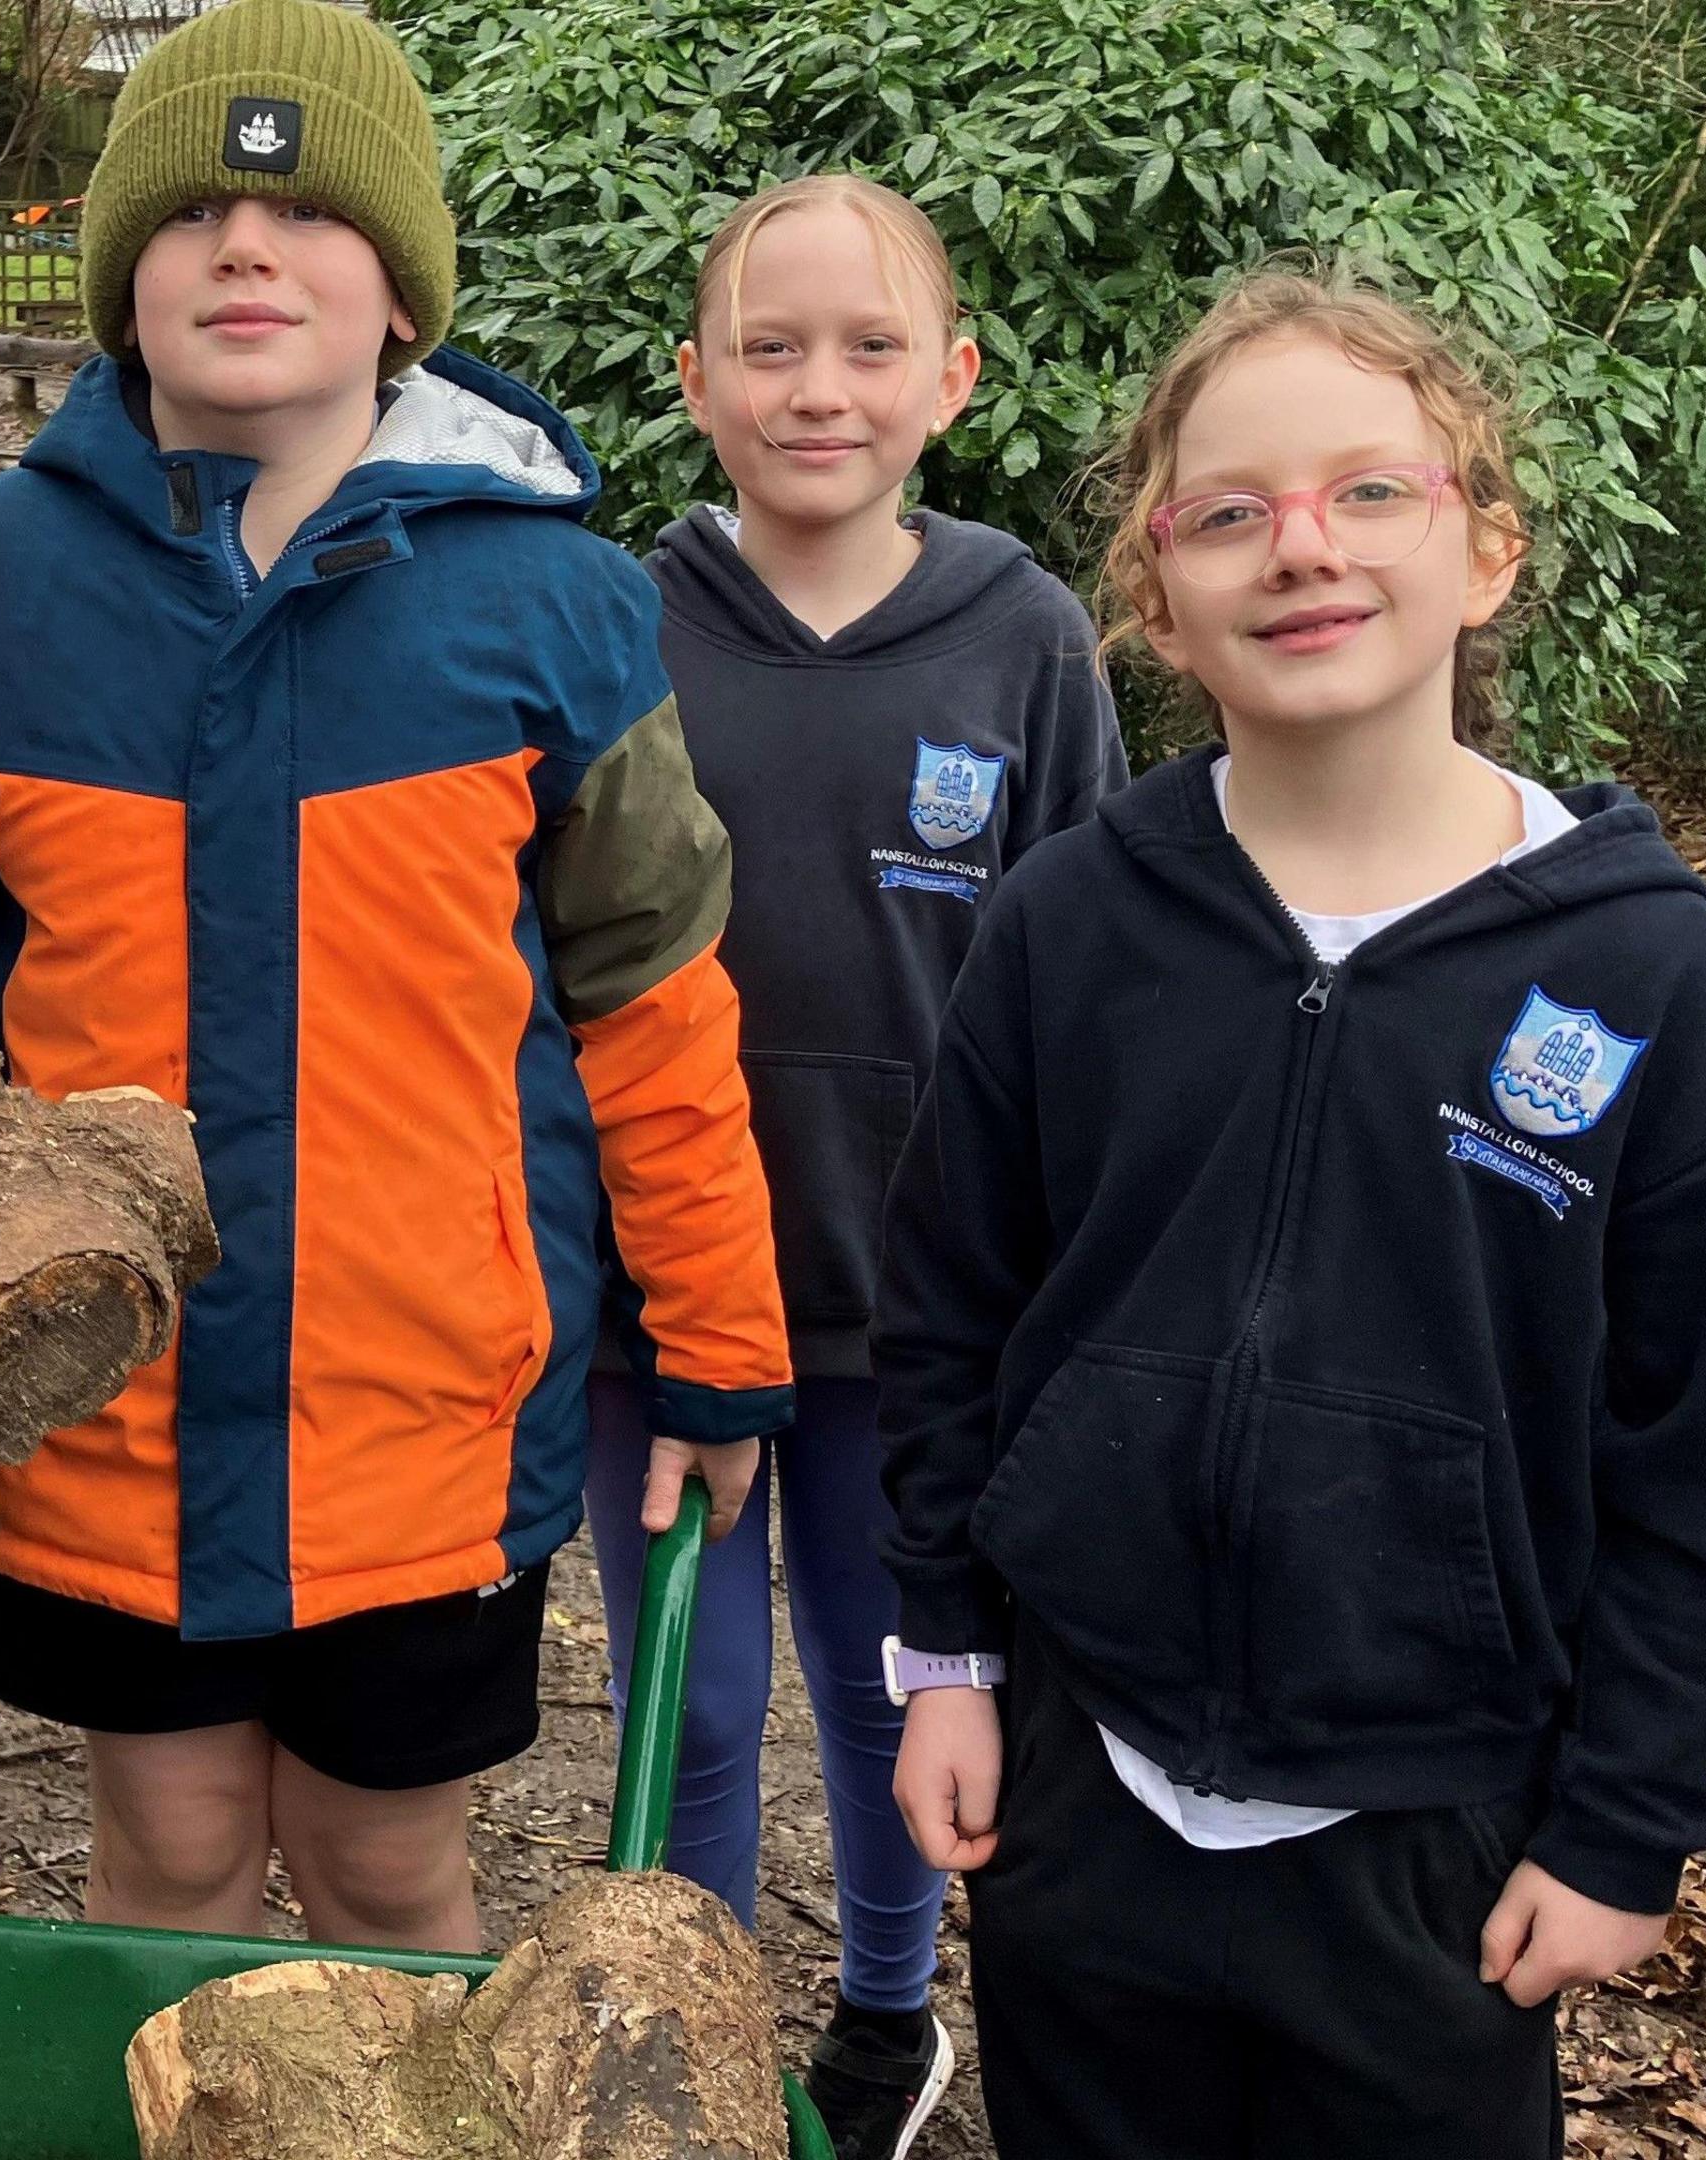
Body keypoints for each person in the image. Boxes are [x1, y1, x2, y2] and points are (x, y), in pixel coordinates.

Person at [0, 0, 791, 1956]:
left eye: (307, 214)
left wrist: (716, 1339)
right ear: (125, 277)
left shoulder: (548, 597)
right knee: (176, 1863)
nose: (244, 247)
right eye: (191, 209)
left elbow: (651, 998)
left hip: (420, 1414)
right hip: (111, 1401)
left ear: (403, 292)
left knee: (388, 1873)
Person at [876, 262, 1706, 2158]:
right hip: (1087, 1790)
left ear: (1489, 551)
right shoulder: (1069, 923)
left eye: (1372, 491)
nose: (1302, 549)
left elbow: (1705, 1451)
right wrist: (950, 1663)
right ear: (1157, 596)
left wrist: (1628, 1821)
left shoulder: (1636, 971)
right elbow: (953, 1317)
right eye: (1231, 512)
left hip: (1438, 1838)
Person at [584, 172, 1123, 2160]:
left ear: (953, 380)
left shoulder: (1029, 641)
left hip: (925, 1329)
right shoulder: (615, 624)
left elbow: (1089, 983)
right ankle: (707, 2068)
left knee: (898, 1703)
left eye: (872, 346)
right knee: (694, 1712)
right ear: (696, 380)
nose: (823, 388)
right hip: (664, 1309)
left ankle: (891, 2025)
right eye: (773, 346)